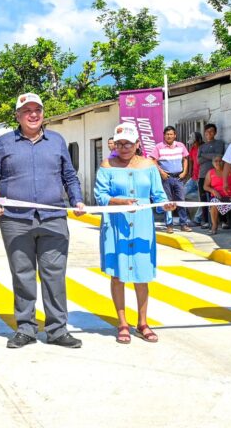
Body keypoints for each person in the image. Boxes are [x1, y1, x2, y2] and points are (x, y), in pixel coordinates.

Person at [0, 92, 86, 349]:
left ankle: (57, 329)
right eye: (27, 110)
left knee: (54, 275)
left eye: (37, 110)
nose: (33, 114)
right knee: (23, 274)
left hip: (53, 218)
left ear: (42, 114)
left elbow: (69, 176)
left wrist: (77, 199)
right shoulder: (4, 143)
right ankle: (26, 329)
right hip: (15, 221)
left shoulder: (57, 141)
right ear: (18, 116)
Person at [95, 122, 173, 344]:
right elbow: (100, 196)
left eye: (128, 143)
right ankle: (122, 323)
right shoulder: (106, 165)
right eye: (119, 143)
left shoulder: (149, 166)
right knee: (117, 275)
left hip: (141, 227)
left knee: (142, 275)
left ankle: (143, 322)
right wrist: (117, 201)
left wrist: (165, 206)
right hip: (115, 226)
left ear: (137, 144)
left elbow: (158, 196)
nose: (123, 147)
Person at [149, 125, 191, 233]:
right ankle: (169, 225)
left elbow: (186, 158)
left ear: (175, 135)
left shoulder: (180, 145)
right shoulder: (159, 147)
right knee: (167, 202)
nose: (169, 136)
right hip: (166, 178)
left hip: (179, 178)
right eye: (167, 134)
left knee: (181, 200)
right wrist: (161, 172)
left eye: (171, 134)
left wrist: (185, 172)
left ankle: (184, 224)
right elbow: (153, 161)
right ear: (164, 135)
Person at [197, 124, 225, 229]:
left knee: (220, 197)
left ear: (215, 132)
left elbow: (219, 155)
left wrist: (204, 155)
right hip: (203, 175)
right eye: (207, 132)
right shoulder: (201, 146)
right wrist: (211, 156)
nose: (209, 133)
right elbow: (198, 161)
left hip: (218, 175)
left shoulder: (219, 143)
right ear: (204, 133)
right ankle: (205, 221)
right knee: (204, 199)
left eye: (212, 131)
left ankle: (223, 221)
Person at [204, 155, 231, 235]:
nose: (218, 163)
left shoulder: (229, 171)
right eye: (216, 161)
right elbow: (205, 186)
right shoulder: (210, 173)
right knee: (214, 203)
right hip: (217, 197)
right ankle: (214, 225)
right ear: (212, 163)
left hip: (230, 197)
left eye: (220, 161)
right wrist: (213, 191)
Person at [185, 131, 203, 223]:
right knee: (181, 194)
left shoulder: (204, 148)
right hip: (194, 177)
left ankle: (197, 219)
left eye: (195, 142)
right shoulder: (192, 149)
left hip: (202, 177)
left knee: (201, 199)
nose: (194, 144)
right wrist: (189, 173)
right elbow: (191, 161)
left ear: (199, 140)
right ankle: (185, 217)